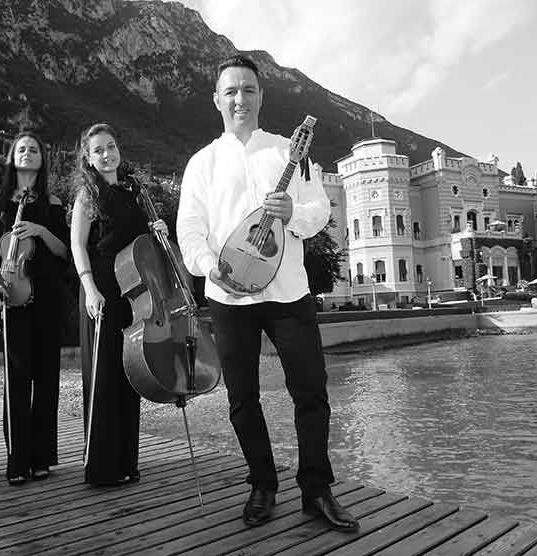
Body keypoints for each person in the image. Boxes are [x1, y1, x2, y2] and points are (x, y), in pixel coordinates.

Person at [176, 54, 358, 532]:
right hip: (229, 296)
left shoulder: (287, 152)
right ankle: (262, 484)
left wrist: (292, 212)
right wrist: (210, 268)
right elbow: (189, 230)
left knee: (311, 393)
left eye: (248, 90)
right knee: (242, 399)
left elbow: (319, 210)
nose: (240, 98)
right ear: (217, 100)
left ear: (261, 97)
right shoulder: (201, 163)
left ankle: (316, 491)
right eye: (231, 91)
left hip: (288, 293)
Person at [68, 123, 166, 486]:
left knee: (129, 372)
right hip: (101, 291)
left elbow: (140, 244)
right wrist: (90, 288)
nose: (107, 154)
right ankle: (101, 468)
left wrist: (157, 231)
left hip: (132, 291)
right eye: (98, 150)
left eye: (111, 146)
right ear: (88, 158)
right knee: (103, 377)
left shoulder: (131, 192)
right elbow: (78, 245)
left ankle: (126, 462)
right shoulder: (87, 195)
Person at [0, 130, 69, 486]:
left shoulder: (54, 202)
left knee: (46, 379)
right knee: (16, 379)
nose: (28, 153)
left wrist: (40, 231)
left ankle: (41, 457)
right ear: (12, 157)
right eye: (21, 149)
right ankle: (17, 460)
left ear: (42, 158)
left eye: (34, 149)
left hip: (47, 297)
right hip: (11, 295)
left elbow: (64, 252)